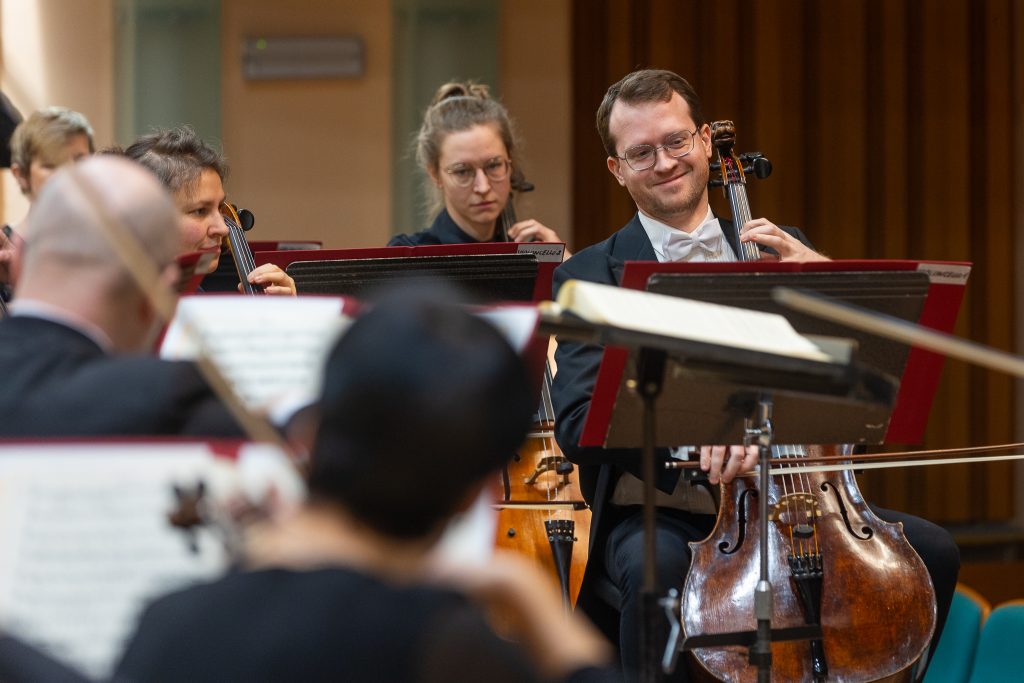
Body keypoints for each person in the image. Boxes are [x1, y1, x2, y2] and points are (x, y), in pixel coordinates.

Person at [550, 69, 959, 681]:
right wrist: (690, 441)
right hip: (667, 510)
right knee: (654, 577)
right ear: (617, 169)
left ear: (706, 141)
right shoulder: (590, 274)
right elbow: (580, 424)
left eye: (676, 141)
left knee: (934, 552)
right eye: (641, 152)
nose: (664, 162)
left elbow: (868, 381)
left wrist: (828, 277)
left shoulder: (779, 247)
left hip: (801, 497)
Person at [107, 290, 617, 683]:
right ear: (474, 494)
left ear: (307, 437)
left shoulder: (169, 625)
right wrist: (529, 596)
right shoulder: (447, 647)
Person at [0, 155, 241, 437]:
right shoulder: (167, 397)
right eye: (199, 210)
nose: (223, 228)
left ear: (18, 260)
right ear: (155, 292)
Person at [390, 81, 569, 251]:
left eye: (494, 166)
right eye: (462, 171)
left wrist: (564, 267)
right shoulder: (408, 256)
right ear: (435, 175)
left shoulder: (536, 253)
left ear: (510, 164)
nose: (483, 187)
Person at [123, 126, 296, 295]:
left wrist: (282, 315)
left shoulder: (193, 296)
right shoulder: (119, 312)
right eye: (200, 211)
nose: (224, 228)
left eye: (220, 208)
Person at [2, 107, 93, 307]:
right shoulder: (3, 252)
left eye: (80, 160)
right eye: (52, 164)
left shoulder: (105, 246)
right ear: (21, 175)